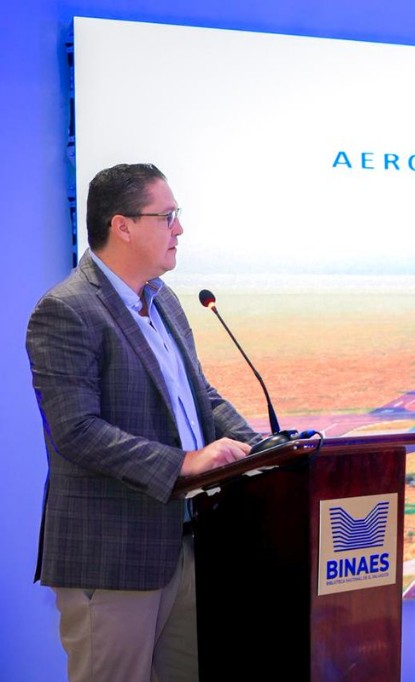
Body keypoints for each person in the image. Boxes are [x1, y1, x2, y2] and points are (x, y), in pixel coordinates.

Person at [26, 163, 260, 681]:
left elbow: (199, 397)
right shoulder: (67, 310)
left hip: (186, 544)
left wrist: (264, 448)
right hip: (112, 554)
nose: (180, 228)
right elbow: (76, 431)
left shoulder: (164, 300)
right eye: (167, 216)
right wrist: (184, 462)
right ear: (123, 226)